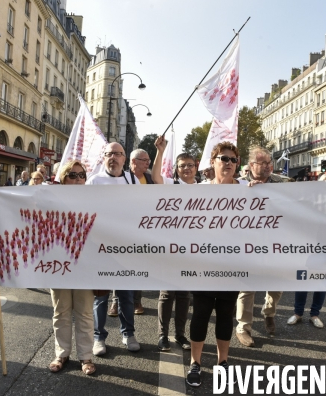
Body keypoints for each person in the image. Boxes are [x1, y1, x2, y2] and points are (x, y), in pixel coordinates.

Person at [186, 141, 252, 387]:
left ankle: (223, 361)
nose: (228, 163)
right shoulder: (199, 190)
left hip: (233, 266)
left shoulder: (248, 188)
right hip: (204, 265)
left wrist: (262, 192)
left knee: (225, 315)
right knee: (200, 315)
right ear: (212, 162)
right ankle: (195, 363)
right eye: (223, 158)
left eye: (233, 160)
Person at [87, 143, 141, 355]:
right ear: (104, 158)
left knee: (126, 294)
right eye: (109, 154)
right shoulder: (94, 181)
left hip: (125, 248)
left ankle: (128, 334)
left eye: (117, 154)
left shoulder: (132, 180)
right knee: (101, 296)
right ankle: (99, 337)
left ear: (124, 158)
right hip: (100, 248)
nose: (113, 158)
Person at [48, 160, 96, 375]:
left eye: (81, 175)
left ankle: (86, 356)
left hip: (85, 265)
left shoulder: (96, 201)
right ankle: (62, 353)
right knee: (61, 311)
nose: (77, 179)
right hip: (58, 264)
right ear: (62, 178)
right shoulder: (49, 199)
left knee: (85, 312)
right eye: (72, 175)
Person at [234, 146, 286, 347]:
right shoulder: (239, 184)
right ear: (250, 166)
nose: (266, 166)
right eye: (261, 163)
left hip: (275, 242)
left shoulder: (281, 183)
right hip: (248, 244)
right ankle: (243, 327)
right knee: (247, 287)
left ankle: (269, 312)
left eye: (268, 163)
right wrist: (246, 194)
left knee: (277, 285)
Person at [150, 135, 195, 352]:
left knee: (185, 295)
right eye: (182, 166)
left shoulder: (206, 188)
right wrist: (160, 151)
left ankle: (180, 335)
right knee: (167, 294)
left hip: (192, 251)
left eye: (190, 165)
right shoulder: (170, 184)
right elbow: (155, 175)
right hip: (170, 250)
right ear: (176, 169)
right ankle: (162, 335)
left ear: (196, 168)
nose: (186, 169)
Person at [107, 148, 153, 316]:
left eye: (148, 160)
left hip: (141, 230)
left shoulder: (150, 179)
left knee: (138, 266)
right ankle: (115, 302)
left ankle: (136, 300)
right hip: (120, 231)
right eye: (144, 160)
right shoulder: (121, 178)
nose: (148, 163)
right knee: (117, 265)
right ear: (132, 161)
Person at [287, 173, 326, 329]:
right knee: (302, 280)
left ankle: (315, 314)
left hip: (324, 247)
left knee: (320, 282)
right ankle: (298, 313)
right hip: (306, 247)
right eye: (323, 184)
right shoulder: (310, 200)